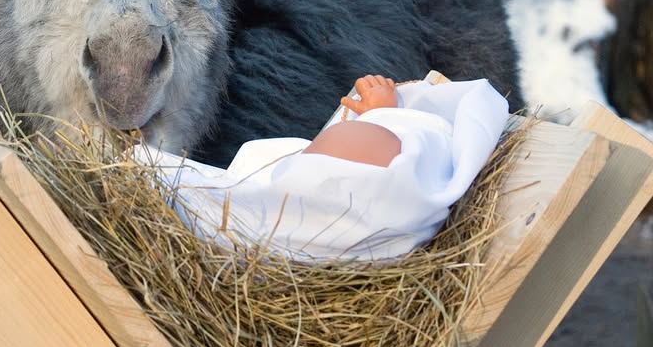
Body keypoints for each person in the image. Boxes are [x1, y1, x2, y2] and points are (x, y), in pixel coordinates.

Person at [136, 75, 510, 261]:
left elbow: (227, 196)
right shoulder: (272, 222)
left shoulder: (232, 217)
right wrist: (386, 118)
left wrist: (386, 116)